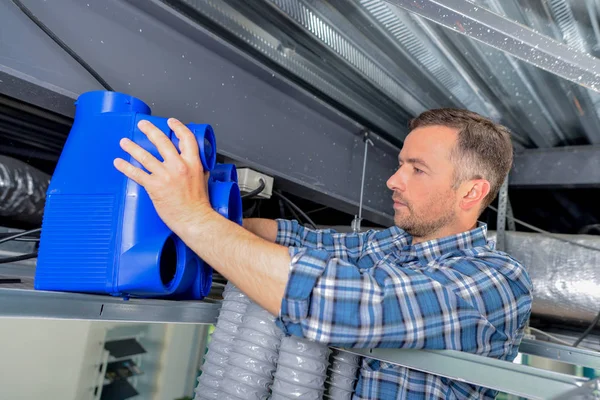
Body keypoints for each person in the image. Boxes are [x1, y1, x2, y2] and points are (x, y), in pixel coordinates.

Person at [114, 108, 533, 399]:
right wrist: (198, 204)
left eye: (416, 169)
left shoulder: (496, 280)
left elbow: (339, 306)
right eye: (400, 164)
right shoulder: (393, 244)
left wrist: (193, 217)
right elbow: (294, 241)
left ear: (471, 191)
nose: (393, 180)